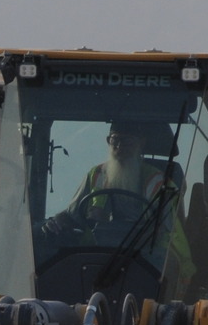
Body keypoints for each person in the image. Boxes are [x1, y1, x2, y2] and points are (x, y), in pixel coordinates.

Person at [40, 120, 193, 283]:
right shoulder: (96, 174)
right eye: (115, 140)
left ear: (141, 143)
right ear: (108, 141)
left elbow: (162, 229)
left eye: (127, 141)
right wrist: (57, 222)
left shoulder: (158, 182)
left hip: (146, 255)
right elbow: (72, 215)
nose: (119, 147)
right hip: (97, 252)